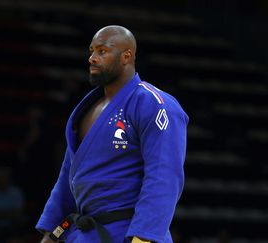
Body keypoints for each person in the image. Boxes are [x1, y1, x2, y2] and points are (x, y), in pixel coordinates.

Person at [36, 25, 189, 243]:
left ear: (126, 56)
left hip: (126, 233)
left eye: (102, 51)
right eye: (91, 51)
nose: (92, 58)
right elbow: (69, 176)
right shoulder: (86, 107)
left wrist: (143, 239)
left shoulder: (154, 104)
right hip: (82, 234)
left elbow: (164, 176)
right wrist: (51, 232)